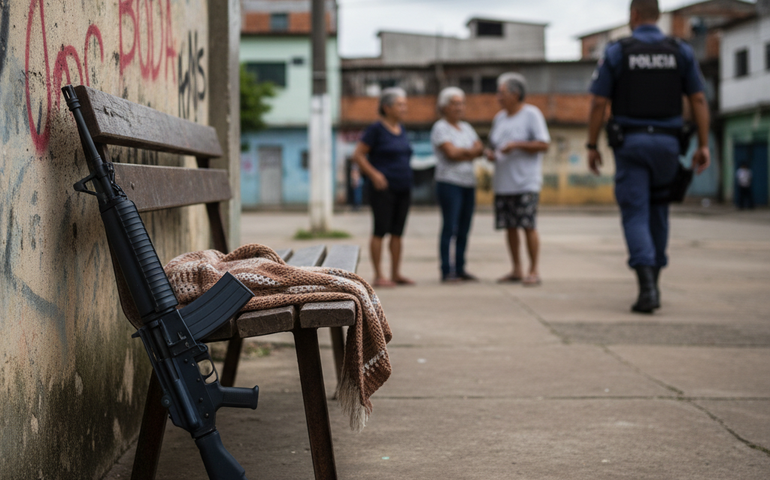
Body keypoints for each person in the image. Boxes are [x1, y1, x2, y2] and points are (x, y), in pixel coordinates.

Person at [586, 0, 711, 313]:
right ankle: (654, 279)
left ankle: (647, 289)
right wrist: (704, 144)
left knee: (635, 213)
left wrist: (591, 145)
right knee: (659, 212)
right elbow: (697, 97)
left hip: (632, 145)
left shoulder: (618, 51)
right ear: (657, 16)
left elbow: (599, 103)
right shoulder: (680, 50)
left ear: (634, 15)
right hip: (669, 146)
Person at [486, 72, 550, 286]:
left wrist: (517, 144)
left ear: (516, 93)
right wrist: (491, 154)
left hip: (525, 182)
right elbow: (496, 146)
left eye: (501, 92)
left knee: (527, 225)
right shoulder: (500, 118)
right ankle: (516, 269)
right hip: (503, 183)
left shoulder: (531, 114)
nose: (498, 97)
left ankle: (534, 269)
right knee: (510, 227)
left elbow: (543, 145)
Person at [351, 87, 415, 287]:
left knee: (398, 232)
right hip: (382, 189)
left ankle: (396, 273)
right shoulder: (375, 129)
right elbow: (358, 155)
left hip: (403, 186)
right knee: (380, 230)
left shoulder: (401, 129)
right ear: (386, 107)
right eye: (400, 104)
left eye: (405, 104)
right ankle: (379, 275)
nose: (404, 108)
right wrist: (374, 174)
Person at [431, 87, 485, 283]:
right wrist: (469, 152)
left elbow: (480, 149)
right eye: (455, 103)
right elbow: (451, 154)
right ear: (444, 106)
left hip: (468, 183)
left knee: (464, 227)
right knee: (449, 227)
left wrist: (465, 152)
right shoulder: (440, 128)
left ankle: (461, 267)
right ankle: (447, 270)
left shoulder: (467, 128)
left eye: (462, 103)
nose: (459, 107)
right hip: (449, 183)